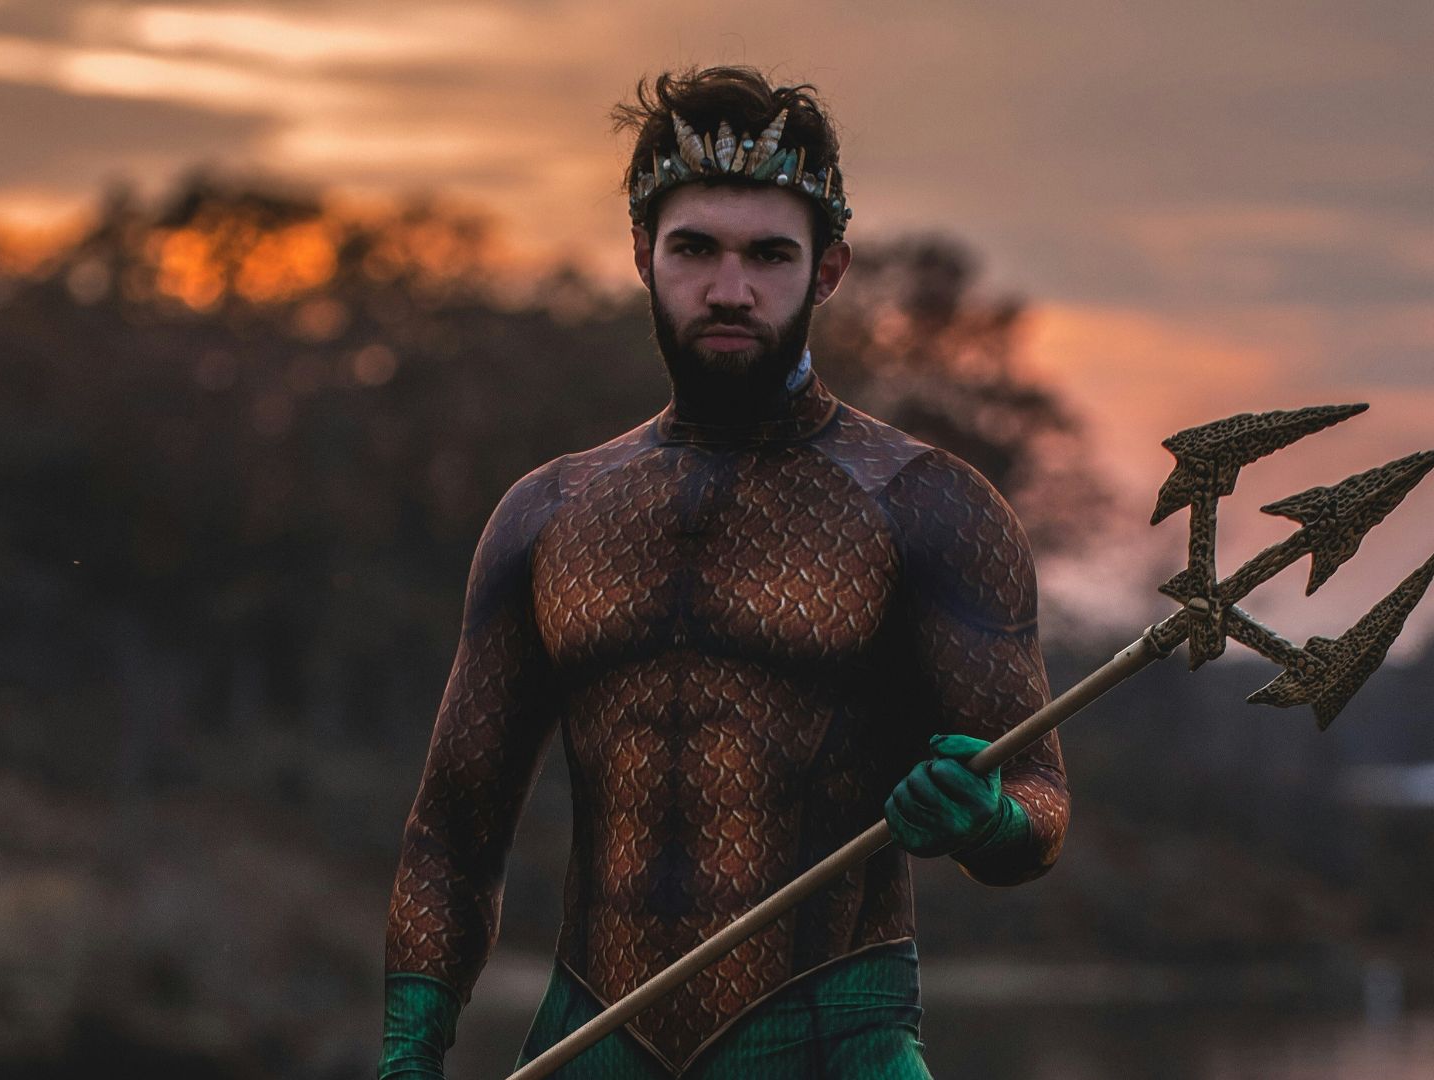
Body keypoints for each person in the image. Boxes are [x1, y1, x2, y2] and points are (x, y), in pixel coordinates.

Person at [379, 65, 1070, 1080]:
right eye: (696, 248)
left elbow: (1041, 796)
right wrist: (407, 1052)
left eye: (768, 255)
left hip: (841, 1041)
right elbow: (451, 832)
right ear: (642, 257)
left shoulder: (929, 504)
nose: (730, 288)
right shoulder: (548, 514)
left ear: (828, 270)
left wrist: (993, 820)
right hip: (594, 1041)